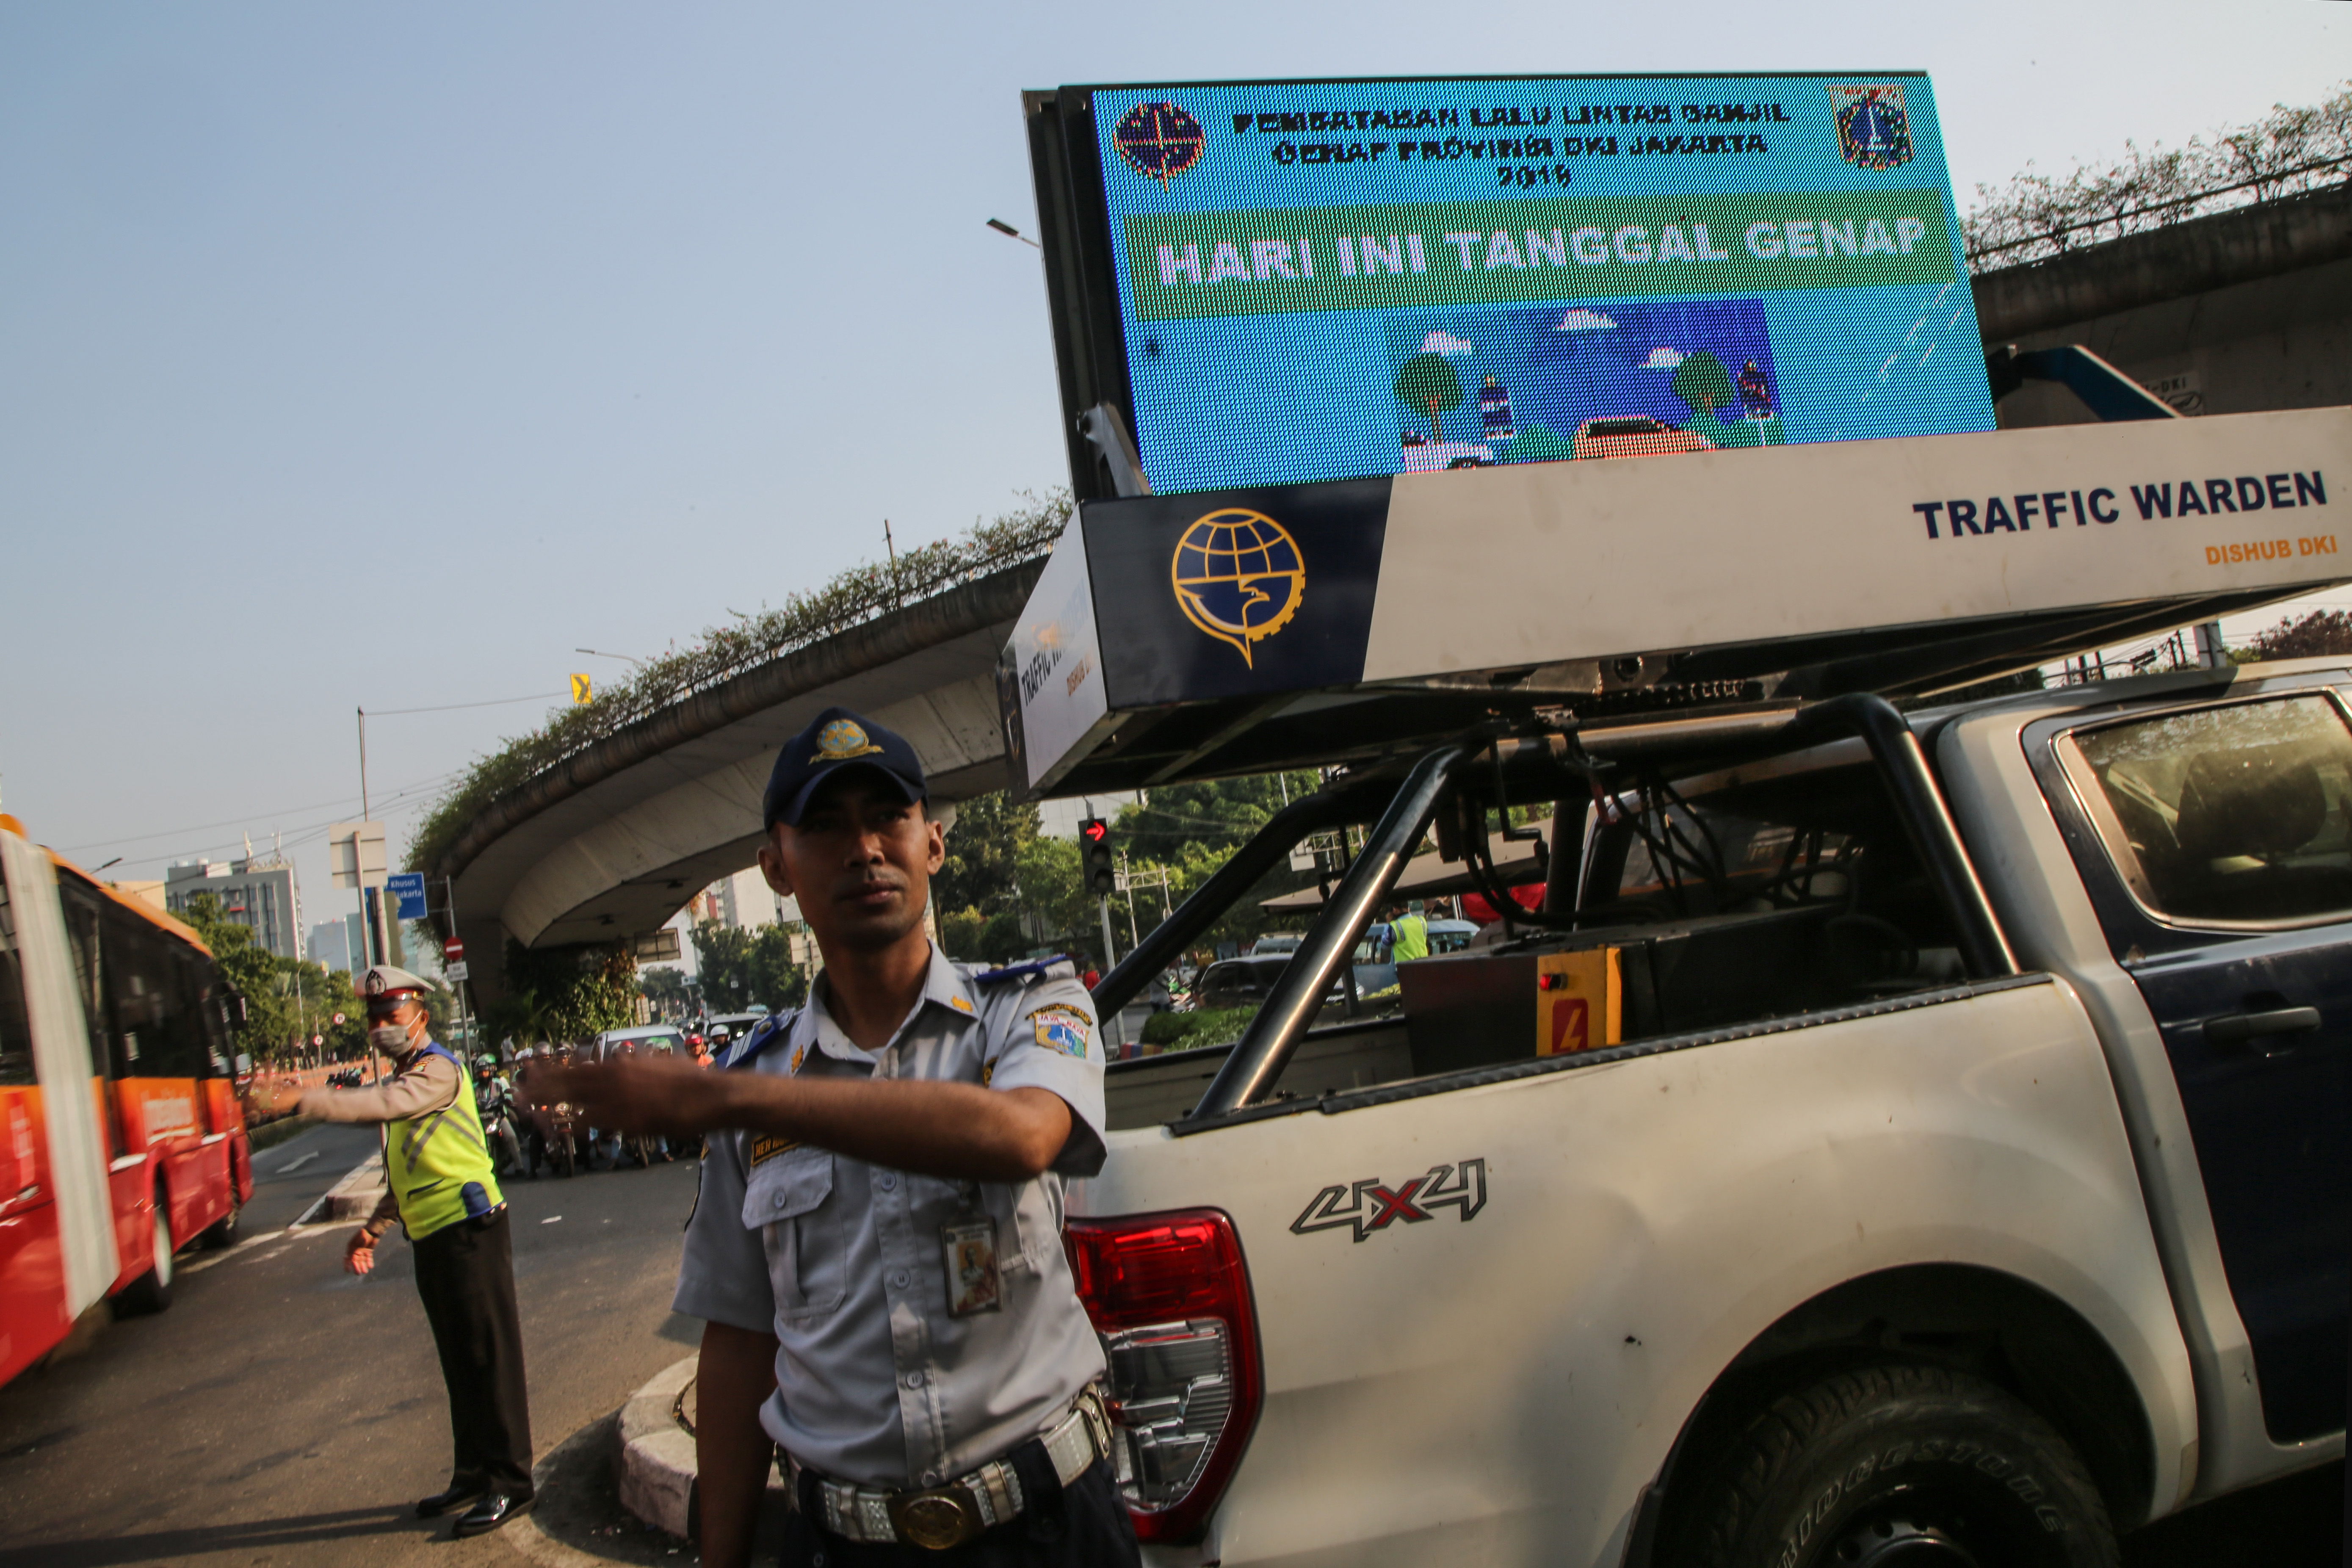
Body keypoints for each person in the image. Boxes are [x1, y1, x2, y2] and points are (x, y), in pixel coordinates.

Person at [531, 706, 1137, 1568]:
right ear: (776, 867)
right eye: (825, 826)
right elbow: (742, 1337)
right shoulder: (757, 1075)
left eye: (887, 817)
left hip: (1051, 1529)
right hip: (843, 1543)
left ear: (932, 842)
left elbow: (1021, 1137)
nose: (864, 849)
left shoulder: (1029, 1006)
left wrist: (727, 1098)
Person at [257, 966, 534, 1536]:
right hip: (432, 1234)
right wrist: (374, 1229)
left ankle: (510, 1480)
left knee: (488, 1358)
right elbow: (408, 1170)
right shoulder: (411, 1074)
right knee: (458, 1360)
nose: (383, 1026)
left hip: (471, 1228)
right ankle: (473, 1473)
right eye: (375, 1017)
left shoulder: (437, 1071)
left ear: (420, 1017)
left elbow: (383, 1103)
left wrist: (303, 1099)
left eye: (393, 1014)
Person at [1390, 899, 1429, 964]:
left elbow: (1385, 944)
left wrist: (1389, 922)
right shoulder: (1422, 920)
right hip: (1423, 965)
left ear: (1395, 910)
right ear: (1409, 909)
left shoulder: (1394, 926)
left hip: (1405, 967)